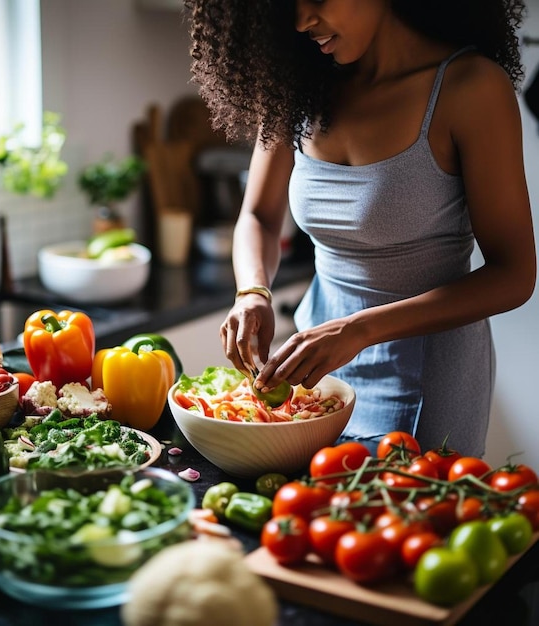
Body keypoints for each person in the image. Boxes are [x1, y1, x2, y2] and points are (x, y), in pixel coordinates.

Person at [183, 0, 536, 457]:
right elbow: (259, 217)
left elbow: (514, 274)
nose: (301, 20)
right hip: (316, 375)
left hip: (427, 379)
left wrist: (358, 330)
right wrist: (253, 292)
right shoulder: (299, 87)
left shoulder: (470, 88)